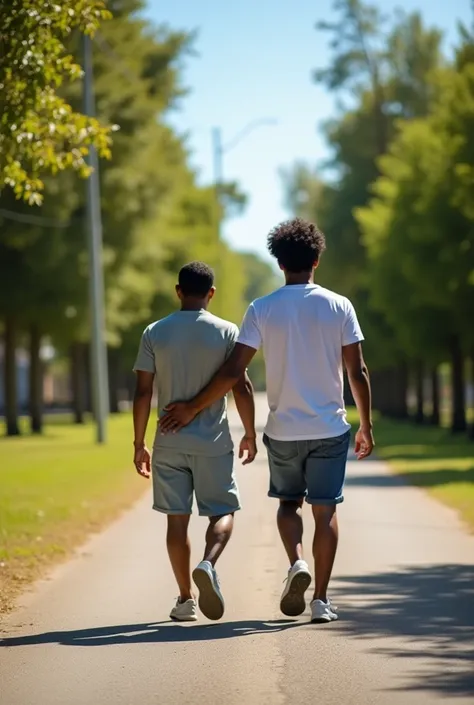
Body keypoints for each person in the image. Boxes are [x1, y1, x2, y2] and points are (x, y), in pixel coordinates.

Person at [160, 218, 374, 624]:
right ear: (316, 260)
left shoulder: (262, 309)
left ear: (279, 263)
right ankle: (322, 601)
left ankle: (296, 562)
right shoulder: (339, 306)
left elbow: (233, 372)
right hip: (329, 428)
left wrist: (190, 407)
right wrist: (366, 424)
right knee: (325, 513)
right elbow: (357, 371)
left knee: (288, 506)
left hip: (283, 431)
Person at [132, 261, 257, 623]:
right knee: (222, 511)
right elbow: (241, 385)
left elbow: (143, 393)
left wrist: (139, 443)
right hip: (213, 442)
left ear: (178, 291)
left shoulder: (154, 332)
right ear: (211, 294)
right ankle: (208, 562)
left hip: (168, 442)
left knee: (176, 522)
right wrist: (248, 432)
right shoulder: (226, 331)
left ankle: (185, 599)